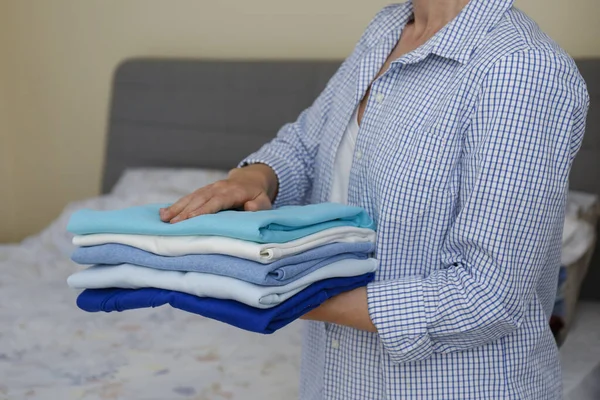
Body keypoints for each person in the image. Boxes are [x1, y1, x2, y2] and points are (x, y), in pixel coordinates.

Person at [159, 0, 589, 398]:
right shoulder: (388, 27)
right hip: (333, 380)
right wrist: (256, 176)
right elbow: (309, 142)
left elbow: (487, 297)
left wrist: (285, 293)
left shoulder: (523, 69)